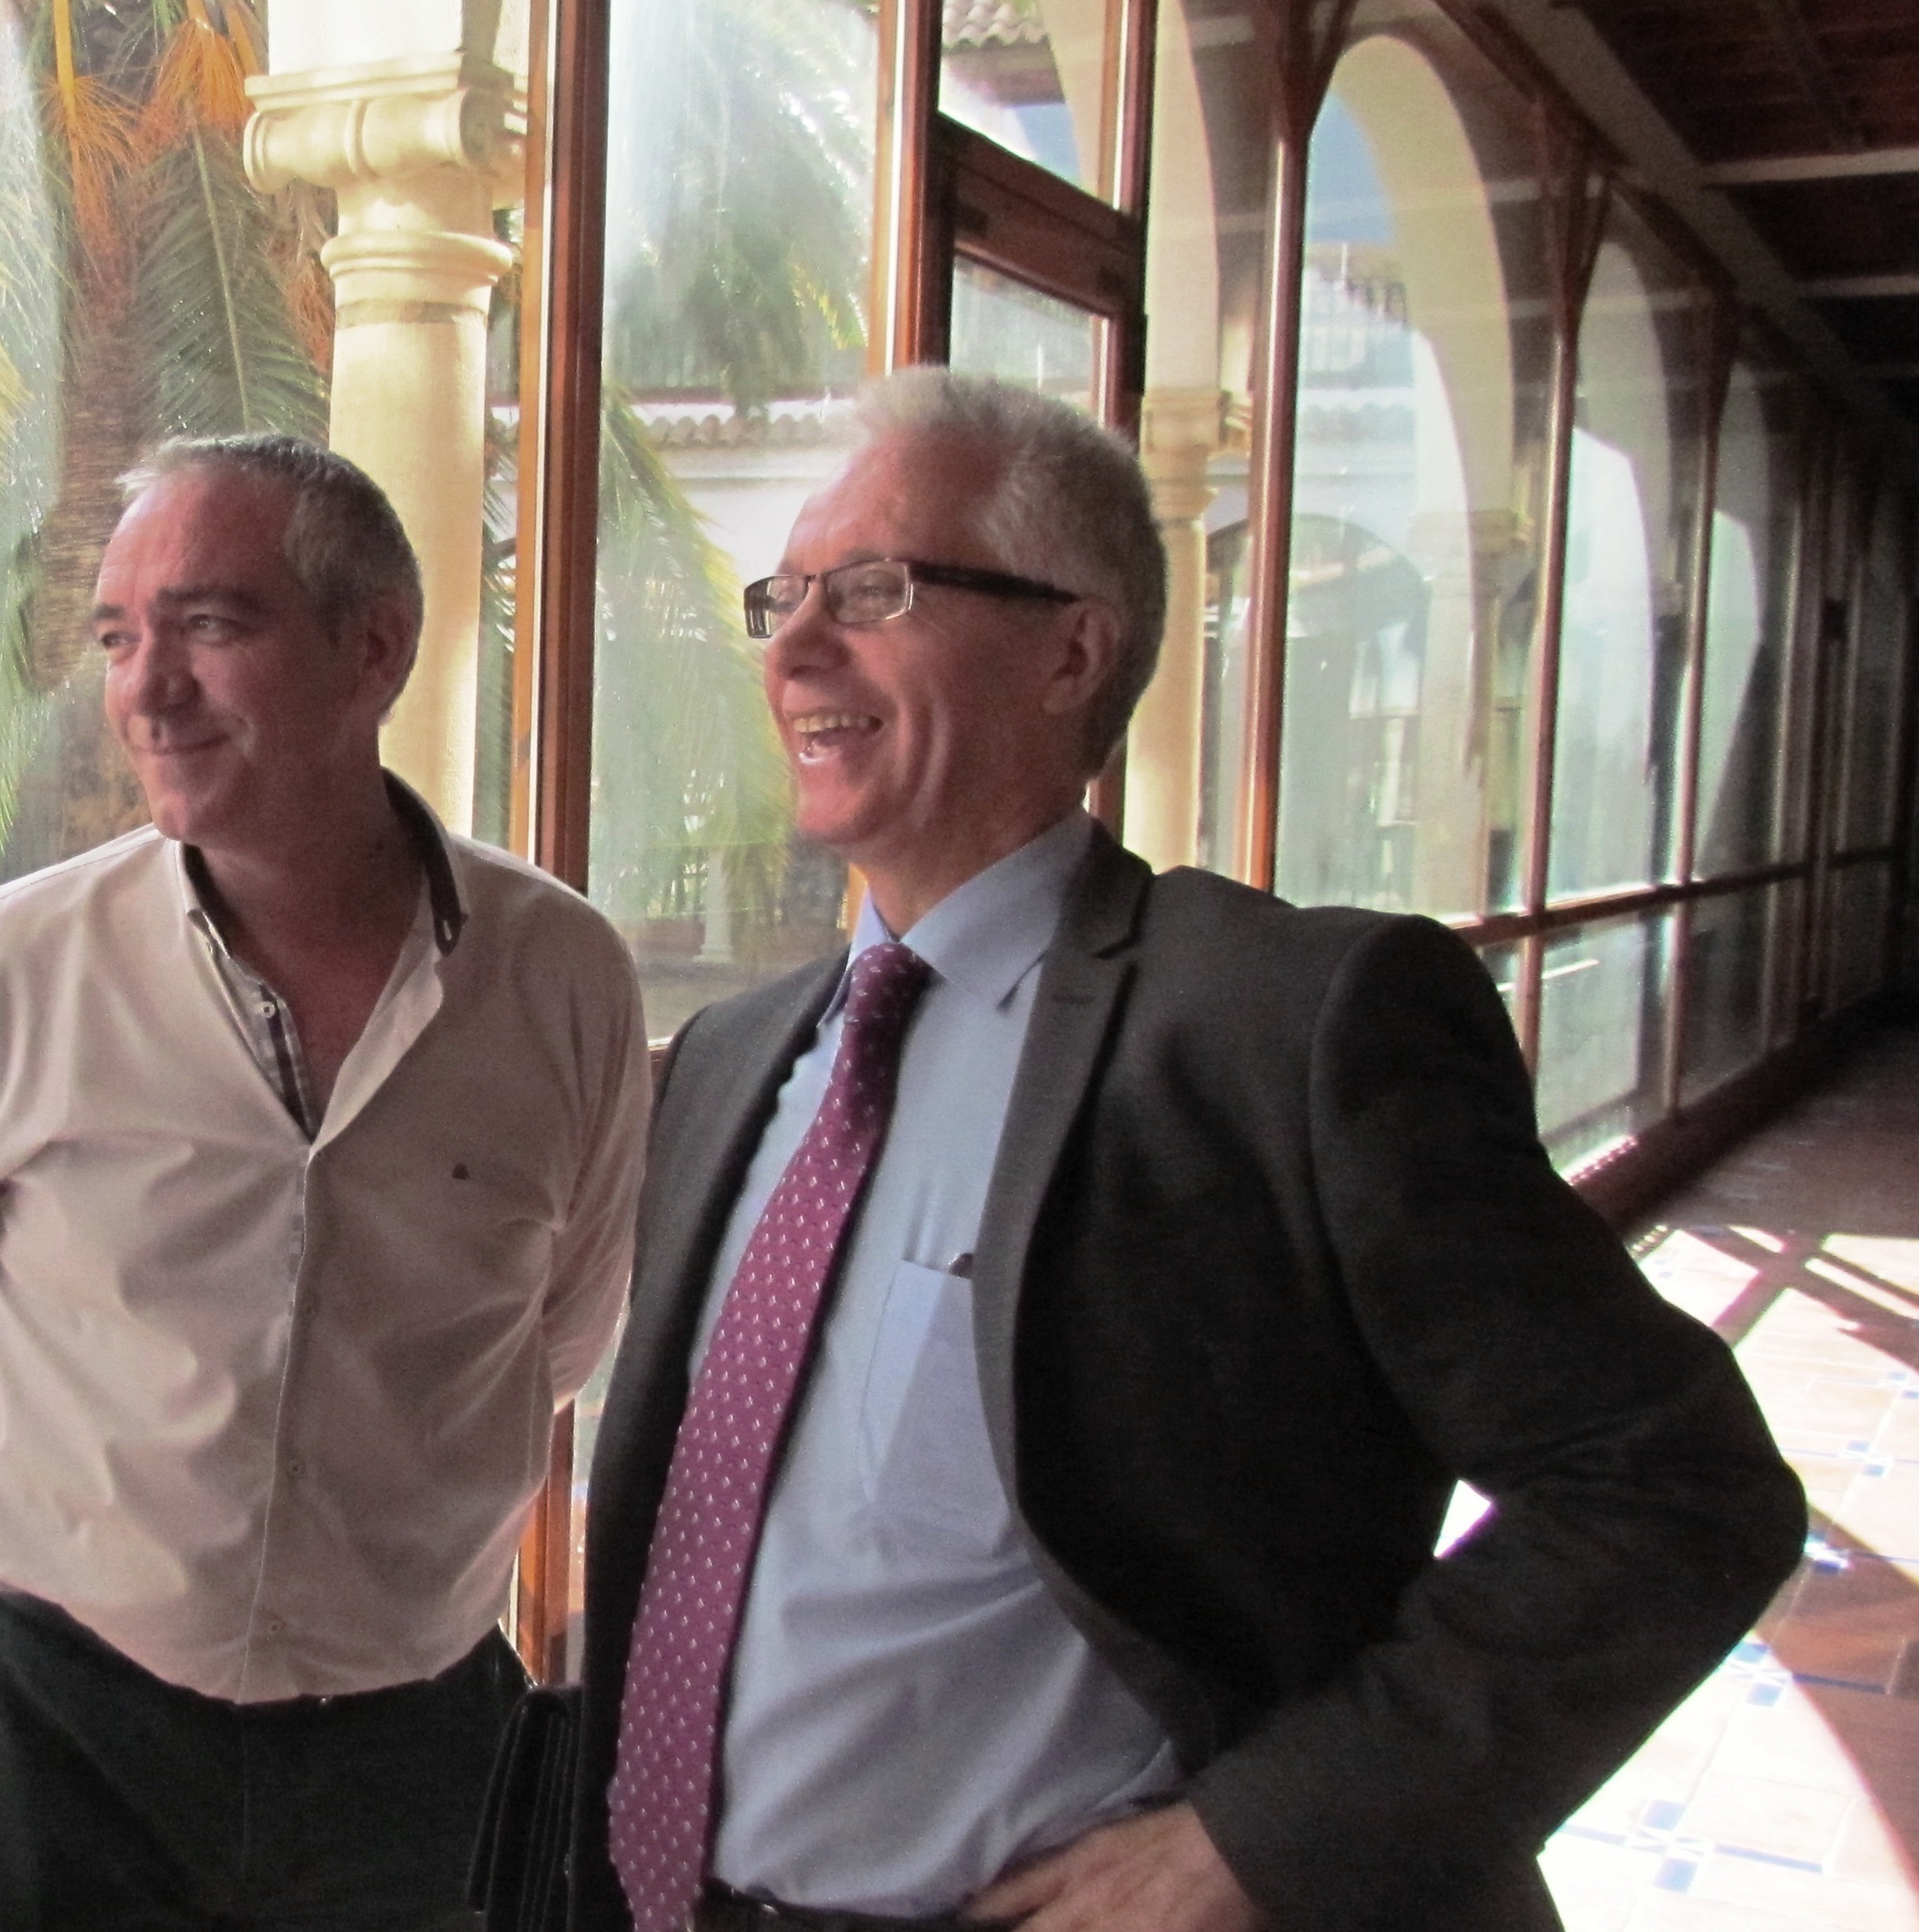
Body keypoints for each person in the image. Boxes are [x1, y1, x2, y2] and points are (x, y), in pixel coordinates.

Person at [568, 370, 1804, 1932]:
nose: (796, 648)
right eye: (784, 597)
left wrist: (1259, 1843)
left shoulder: (1285, 1029)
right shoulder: (739, 1062)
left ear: (1071, 646)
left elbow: (1674, 1489)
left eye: (871, 590)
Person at [0, 433, 650, 1931]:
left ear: (374, 647)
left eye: (210, 626)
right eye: (117, 636)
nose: (147, 688)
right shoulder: (9, 972)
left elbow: (562, 1329)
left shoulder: (562, 980)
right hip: (51, 1733)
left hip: (409, 1753)